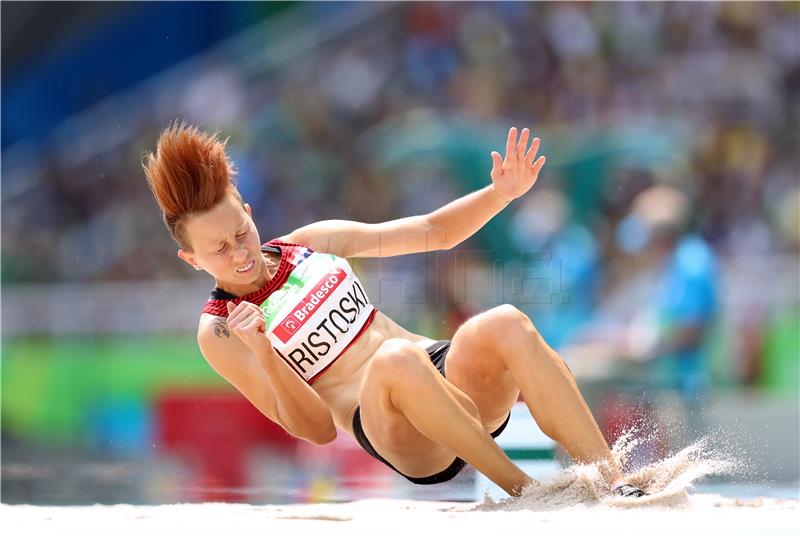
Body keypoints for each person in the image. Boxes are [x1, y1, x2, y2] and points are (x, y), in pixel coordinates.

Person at [142, 121, 645, 498]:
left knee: (506, 321)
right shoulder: (220, 331)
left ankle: (613, 482)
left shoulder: (311, 243)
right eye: (219, 250)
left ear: (250, 213)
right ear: (192, 259)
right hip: (397, 431)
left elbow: (433, 231)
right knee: (395, 360)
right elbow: (317, 430)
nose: (240, 253)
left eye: (241, 233)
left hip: (447, 379)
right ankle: (527, 492)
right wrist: (264, 351)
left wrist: (501, 194)